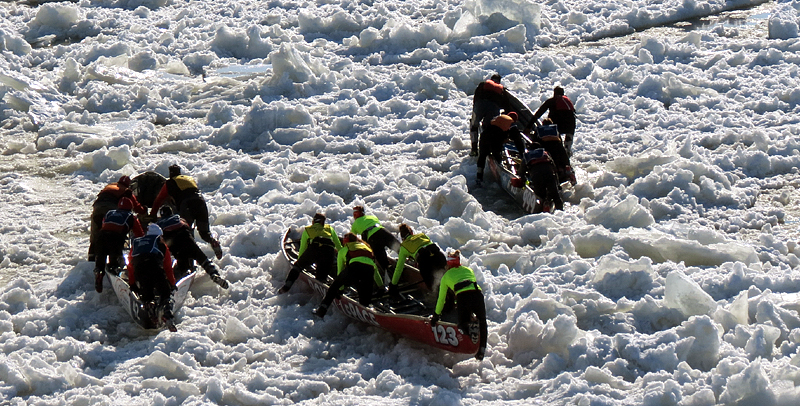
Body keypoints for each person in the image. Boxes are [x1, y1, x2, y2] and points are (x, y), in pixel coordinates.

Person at [150, 164, 222, 260]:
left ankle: (189, 263)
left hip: (187, 204)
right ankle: (213, 240)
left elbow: (158, 200)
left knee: (186, 232)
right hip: (201, 202)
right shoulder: (189, 179)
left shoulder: (169, 183)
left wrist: (152, 215)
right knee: (204, 232)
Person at [429, 250, 487, 361]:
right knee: (482, 322)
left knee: (461, 323)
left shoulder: (445, 277)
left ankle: (469, 331)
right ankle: (481, 350)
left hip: (463, 297)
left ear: (448, 265)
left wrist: (436, 315)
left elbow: (441, 300)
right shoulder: (468, 270)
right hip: (478, 294)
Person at [312, 233, 384, 319]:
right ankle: (367, 315)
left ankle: (321, 311)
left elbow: (340, 270)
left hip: (354, 269)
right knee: (364, 302)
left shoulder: (344, 249)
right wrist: (381, 287)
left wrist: (340, 289)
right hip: (369, 272)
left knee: (333, 287)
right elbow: (375, 269)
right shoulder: (367, 249)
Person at [156, 206, 229, 288]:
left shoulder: (158, 224)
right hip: (186, 238)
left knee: (182, 260)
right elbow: (188, 229)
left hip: (174, 243)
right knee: (202, 258)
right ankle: (214, 274)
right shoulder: (179, 218)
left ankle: (180, 279)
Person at [127, 224, 178, 332]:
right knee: (166, 294)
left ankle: (150, 309)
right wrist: (172, 284)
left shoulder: (136, 243)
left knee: (147, 294)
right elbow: (168, 268)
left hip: (140, 272)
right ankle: (167, 314)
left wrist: (132, 284)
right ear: (159, 236)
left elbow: (130, 266)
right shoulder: (161, 244)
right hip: (155, 269)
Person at [279, 213, 342, 294]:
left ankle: (287, 286)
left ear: (313, 222)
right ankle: (326, 291)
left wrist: (300, 262)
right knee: (321, 278)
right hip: (328, 251)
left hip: (314, 249)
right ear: (323, 222)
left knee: (297, 267)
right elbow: (339, 247)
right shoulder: (329, 229)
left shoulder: (308, 230)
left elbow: (303, 248)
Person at [93, 197, 145, 293]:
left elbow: (104, 224)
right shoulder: (131, 217)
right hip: (115, 239)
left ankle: (99, 271)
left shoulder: (110, 213)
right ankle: (117, 279)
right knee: (114, 262)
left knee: (101, 257)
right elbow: (140, 235)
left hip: (101, 236)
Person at [89, 175, 146, 261]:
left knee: (97, 233)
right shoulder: (126, 191)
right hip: (111, 207)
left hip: (97, 208)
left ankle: (92, 256)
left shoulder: (109, 186)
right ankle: (114, 258)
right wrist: (144, 211)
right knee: (113, 231)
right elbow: (136, 207)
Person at [389, 224, 447, 296]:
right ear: (412, 233)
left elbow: (399, 268)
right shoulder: (422, 235)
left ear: (402, 238)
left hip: (425, 262)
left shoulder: (404, 247)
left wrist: (393, 284)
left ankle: (438, 300)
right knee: (444, 279)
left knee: (434, 287)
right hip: (439, 257)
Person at [350, 206, 399, 276]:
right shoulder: (372, 217)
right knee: (399, 249)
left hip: (373, 239)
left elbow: (352, 238)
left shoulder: (355, 224)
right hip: (383, 232)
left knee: (383, 262)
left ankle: (391, 274)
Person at [469, 74, 510, 157]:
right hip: (493, 107)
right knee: (488, 127)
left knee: (474, 125)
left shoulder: (482, 84)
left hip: (479, 105)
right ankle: (486, 148)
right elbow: (506, 105)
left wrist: (475, 110)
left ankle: (474, 149)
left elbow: (476, 97)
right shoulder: (502, 89)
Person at [532, 86, 577, 157]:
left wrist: (528, 126)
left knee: (556, 144)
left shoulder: (551, 101)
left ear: (554, 93)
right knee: (567, 147)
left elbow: (538, 114)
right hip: (571, 126)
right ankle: (567, 160)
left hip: (557, 125)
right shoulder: (568, 101)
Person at [524, 147, 564, 213]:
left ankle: (541, 210)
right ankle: (561, 212)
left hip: (537, 176)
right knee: (555, 195)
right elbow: (554, 169)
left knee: (540, 195)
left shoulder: (528, 155)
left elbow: (521, 171)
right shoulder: (546, 154)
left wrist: (523, 181)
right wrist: (557, 185)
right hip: (549, 174)